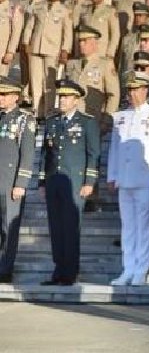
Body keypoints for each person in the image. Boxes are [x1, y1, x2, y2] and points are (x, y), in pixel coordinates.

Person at [108, 71, 149, 286]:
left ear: (145, 91)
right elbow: (115, 149)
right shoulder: (120, 116)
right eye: (130, 90)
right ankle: (128, 268)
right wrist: (112, 175)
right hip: (125, 179)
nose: (132, 94)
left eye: (136, 89)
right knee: (128, 226)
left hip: (147, 178)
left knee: (144, 228)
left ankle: (141, 269)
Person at [40, 79, 100, 286]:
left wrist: (89, 181)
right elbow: (45, 154)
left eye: (67, 97)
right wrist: (42, 181)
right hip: (53, 180)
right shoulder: (52, 121)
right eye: (61, 96)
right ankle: (58, 270)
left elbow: (93, 154)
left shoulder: (86, 122)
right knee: (56, 227)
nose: (63, 100)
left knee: (71, 226)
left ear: (76, 100)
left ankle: (70, 271)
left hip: (74, 181)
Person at [0, 77, 36, 283]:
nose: (1, 98)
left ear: (15, 96)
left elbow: (28, 153)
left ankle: (5, 269)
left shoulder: (24, 120)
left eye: (4, 94)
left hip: (10, 182)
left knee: (8, 227)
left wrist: (20, 184)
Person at [23, 0, 72, 118]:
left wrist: (65, 50)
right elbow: (30, 25)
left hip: (52, 49)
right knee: (35, 81)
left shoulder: (64, 10)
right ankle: (37, 111)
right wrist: (26, 42)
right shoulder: (39, 6)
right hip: (36, 47)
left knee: (49, 82)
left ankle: (48, 112)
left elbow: (68, 33)